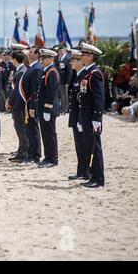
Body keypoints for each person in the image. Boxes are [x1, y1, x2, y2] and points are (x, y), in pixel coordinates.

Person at [77, 43, 106, 188]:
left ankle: (98, 178)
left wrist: (97, 118)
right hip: (86, 116)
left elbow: (99, 98)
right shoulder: (87, 72)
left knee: (96, 147)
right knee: (91, 146)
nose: (81, 56)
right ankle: (93, 176)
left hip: (92, 117)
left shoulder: (94, 73)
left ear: (90, 56)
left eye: (83, 54)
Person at [67, 49, 91, 181]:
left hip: (81, 117)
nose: (71, 62)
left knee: (83, 145)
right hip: (76, 116)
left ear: (81, 61)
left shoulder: (84, 76)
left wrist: (80, 119)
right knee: (79, 146)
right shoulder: (77, 76)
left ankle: (86, 172)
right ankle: (81, 171)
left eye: (73, 60)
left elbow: (83, 100)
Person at [37, 48, 60, 169]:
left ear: (51, 59)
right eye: (41, 57)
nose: (41, 60)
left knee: (50, 134)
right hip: (44, 109)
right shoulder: (46, 71)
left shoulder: (51, 72)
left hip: (48, 110)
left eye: (44, 58)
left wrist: (47, 109)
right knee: (45, 134)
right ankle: (48, 156)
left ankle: (52, 158)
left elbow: (51, 94)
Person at [21, 46, 43, 164]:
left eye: (30, 52)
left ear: (37, 55)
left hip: (31, 104)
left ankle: (35, 155)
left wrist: (34, 105)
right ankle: (31, 153)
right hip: (27, 103)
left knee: (33, 129)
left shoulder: (37, 68)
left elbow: (36, 89)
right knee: (29, 129)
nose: (28, 54)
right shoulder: (31, 67)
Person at [7, 50, 28, 162]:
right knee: (19, 128)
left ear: (15, 60)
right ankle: (21, 151)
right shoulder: (20, 70)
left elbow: (17, 91)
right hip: (17, 104)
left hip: (19, 105)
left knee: (21, 129)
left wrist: (10, 102)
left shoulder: (20, 72)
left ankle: (23, 153)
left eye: (12, 59)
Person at [55, 43, 72, 114]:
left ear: (65, 50)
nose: (60, 52)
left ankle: (65, 109)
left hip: (64, 80)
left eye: (61, 50)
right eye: (59, 50)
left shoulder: (68, 59)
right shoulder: (57, 58)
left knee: (64, 95)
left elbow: (69, 71)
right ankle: (59, 108)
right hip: (57, 80)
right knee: (58, 95)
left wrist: (67, 82)